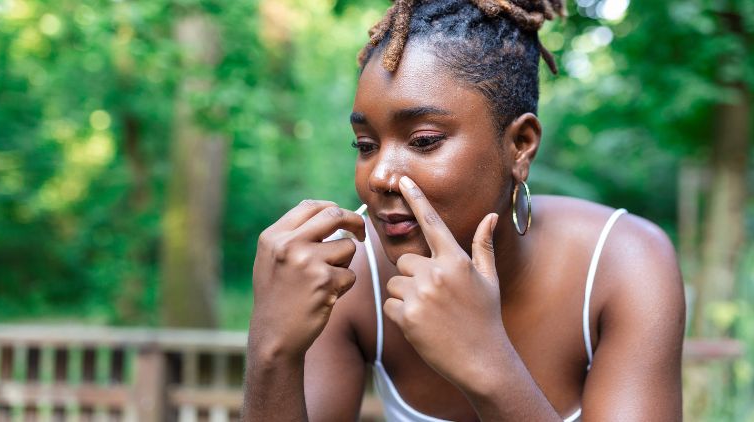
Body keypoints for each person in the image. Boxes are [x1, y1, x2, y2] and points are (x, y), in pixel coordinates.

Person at [243, 1, 686, 420]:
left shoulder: (625, 264)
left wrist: (488, 365)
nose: (379, 175)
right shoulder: (346, 278)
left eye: (423, 141)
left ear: (519, 145)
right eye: (365, 145)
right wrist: (272, 349)